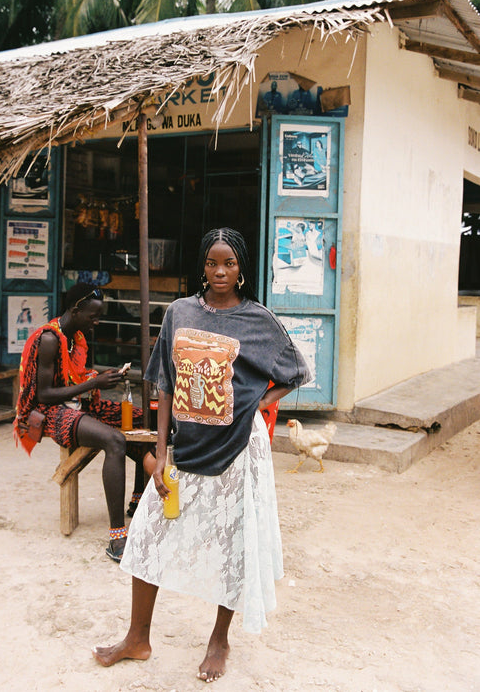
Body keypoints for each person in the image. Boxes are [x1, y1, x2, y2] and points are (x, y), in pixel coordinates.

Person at [92, 228, 312, 682]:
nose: (219, 272)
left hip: (236, 449)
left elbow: (296, 370)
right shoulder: (180, 312)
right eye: (212, 263)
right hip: (186, 447)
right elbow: (166, 384)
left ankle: (219, 640)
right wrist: (160, 451)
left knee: (231, 542)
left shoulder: (258, 320)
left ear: (242, 269)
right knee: (149, 532)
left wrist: (258, 403)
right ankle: (138, 637)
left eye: (229, 263)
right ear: (202, 266)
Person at [13, 282, 154, 563]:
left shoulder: (76, 337)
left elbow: (74, 379)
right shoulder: (50, 339)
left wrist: (100, 379)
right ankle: (117, 537)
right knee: (114, 439)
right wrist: (96, 381)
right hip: (48, 412)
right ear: (76, 310)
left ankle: (138, 501)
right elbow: (45, 394)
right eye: (92, 316)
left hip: (77, 405)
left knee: (144, 420)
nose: (96, 322)